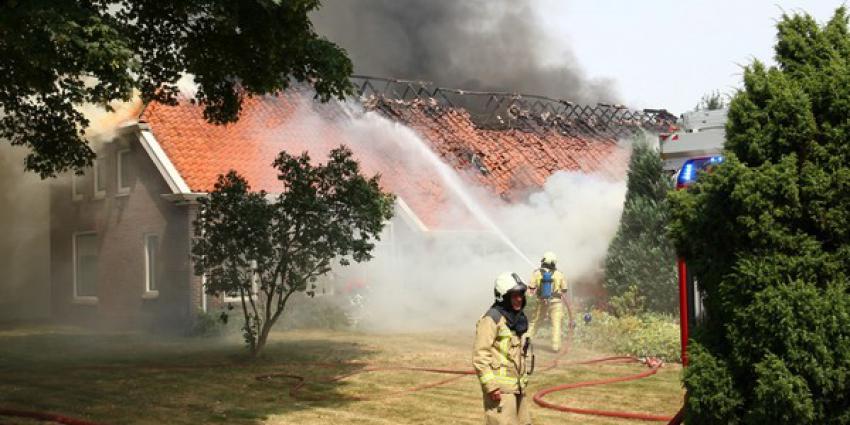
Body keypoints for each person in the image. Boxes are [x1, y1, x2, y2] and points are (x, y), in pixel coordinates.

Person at [472, 272, 533, 425]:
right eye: (514, 295)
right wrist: (491, 387)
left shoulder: (516, 319)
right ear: (503, 296)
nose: (519, 299)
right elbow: (480, 356)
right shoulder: (491, 319)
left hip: (518, 387)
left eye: (521, 294)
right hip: (500, 390)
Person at [527, 251, 574, 352]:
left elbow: (531, 288)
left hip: (542, 302)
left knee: (535, 322)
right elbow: (565, 289)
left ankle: (526, 342)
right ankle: (555, 347)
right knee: (556, 324)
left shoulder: (537, 273)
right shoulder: (559, 274)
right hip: (556, 303)